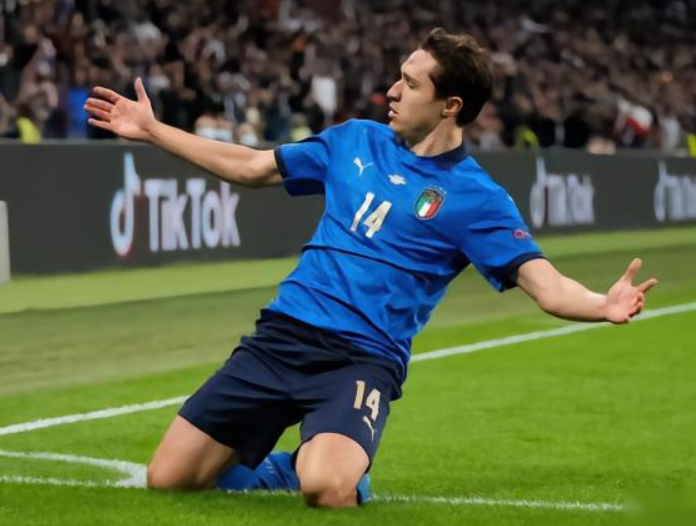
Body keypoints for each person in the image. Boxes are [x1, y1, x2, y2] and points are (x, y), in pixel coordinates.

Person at [84, 28, 658, 509]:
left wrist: (600, 305)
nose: (392, 91)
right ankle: (283, 463)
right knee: (168, 479)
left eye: (411, 83)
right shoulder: (353, 140)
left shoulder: (478, 198)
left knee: (327, 489)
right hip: (281, 338)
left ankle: (319, 467)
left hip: (361, 359)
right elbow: (254, 168)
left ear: (450, 106)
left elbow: (545, 285)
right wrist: (154, 131)